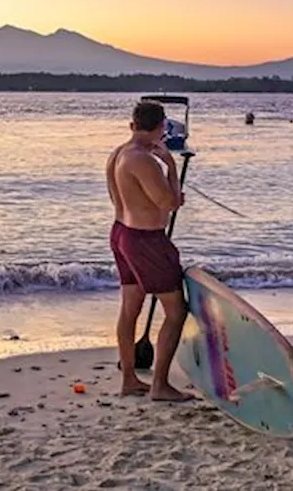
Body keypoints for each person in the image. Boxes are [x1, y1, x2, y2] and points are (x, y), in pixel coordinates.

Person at [105, 100, 191, 402]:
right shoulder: (142, 159)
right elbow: (167, 202)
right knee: (176, 311)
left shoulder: (117, 154)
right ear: (161, 127)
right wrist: (170, 166)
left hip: (121, 232)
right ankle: (160, 385)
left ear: (132, 125)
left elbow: (118, 197)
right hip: (145, 240)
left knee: (130, 307)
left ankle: (129, 378)